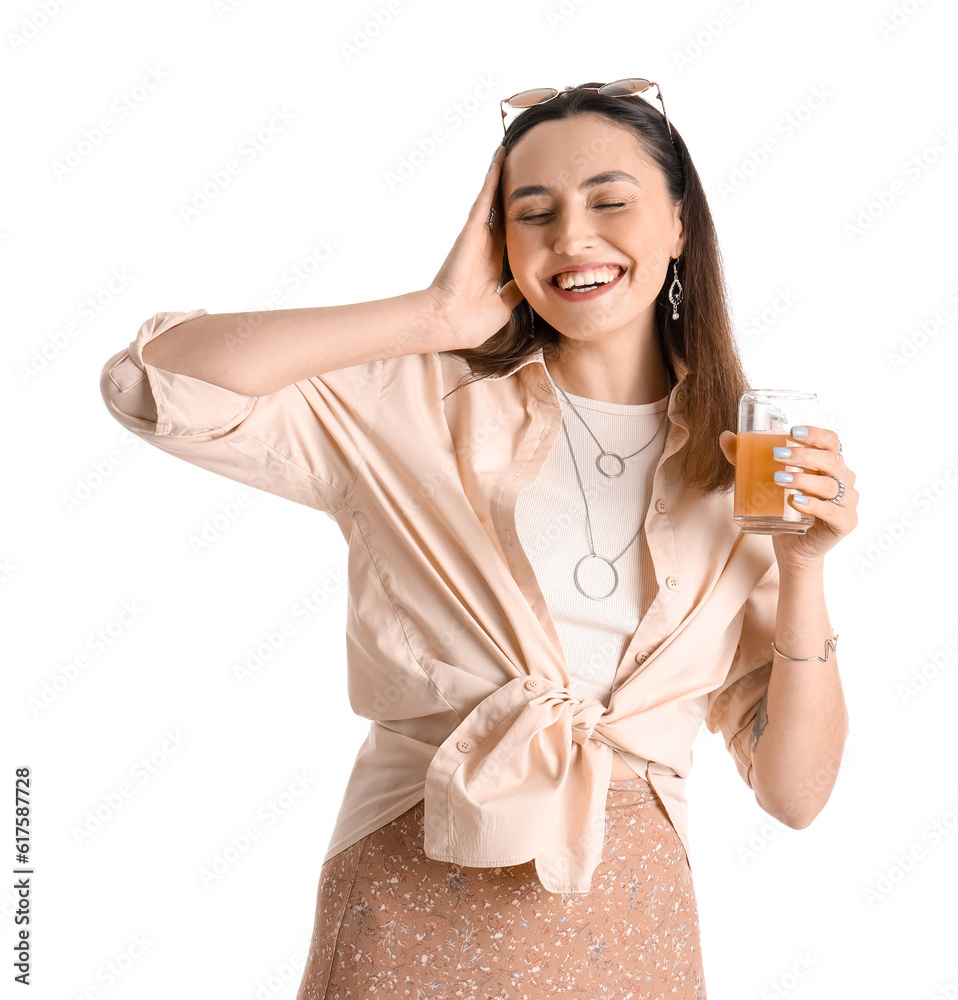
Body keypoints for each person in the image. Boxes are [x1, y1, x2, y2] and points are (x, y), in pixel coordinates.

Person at [99, 78, 858, 998]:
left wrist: (804, 567)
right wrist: (431, 317)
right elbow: (153, 384)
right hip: (415, 878)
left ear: (681, 226)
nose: (573, 238)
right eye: (532, 212)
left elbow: (797, 793)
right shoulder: (416, 401)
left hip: (630, 916)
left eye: (610, 201)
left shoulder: (740, 466)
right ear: (499, 238)